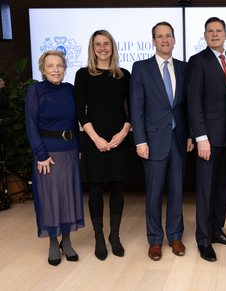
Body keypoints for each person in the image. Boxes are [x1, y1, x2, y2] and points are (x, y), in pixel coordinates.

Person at [130, 22, 193, 261]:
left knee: (177, 192)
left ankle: (175, 236)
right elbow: (136, 107)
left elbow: (188, 106)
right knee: (154, 193)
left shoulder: (185, 68)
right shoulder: (141, 68)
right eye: (160, 36)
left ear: (174, 40)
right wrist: (140, 141)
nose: (165, 40)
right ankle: (155, 240)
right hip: (153, 141)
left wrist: (190, 134)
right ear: (153, 41)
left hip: (179, 140)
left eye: (169, 36)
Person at [186, 17, 226, 262]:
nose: (215, 34)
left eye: (219, 30)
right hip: (208, 137)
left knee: (222, 189)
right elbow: (194, 101)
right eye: (210, 31)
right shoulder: (198, 61)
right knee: (206, 190)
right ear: (205, 35)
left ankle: (217, 231)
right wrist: (201, 137)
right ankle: (203, 239)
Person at [74, 30, 131, 260]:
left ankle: (114, 235)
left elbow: (133, 109)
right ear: (92, 48)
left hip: (119, 139)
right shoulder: (83, 74)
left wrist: (123, 133)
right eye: (98, 44)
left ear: (112, 46)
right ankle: (99, 236)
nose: (102, 48)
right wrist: (96, 138)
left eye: (106, 43)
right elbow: (79, 110)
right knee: (96, 189)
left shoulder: (124, 75)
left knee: (118, 187)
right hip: (93, 140)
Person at [25, 50, 84, 266]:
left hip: (69, 151)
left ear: (65, 68)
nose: (56, 70)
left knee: (69, 197)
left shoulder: (70, 89)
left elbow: (76, 121)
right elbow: (30, 124)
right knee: (50, 198)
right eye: (50, 66)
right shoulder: (35, 89)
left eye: (59, 66)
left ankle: (66, 241)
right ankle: (52, 242)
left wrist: (78, 147)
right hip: (46, 155)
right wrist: (40, 154)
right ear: (42, 69)